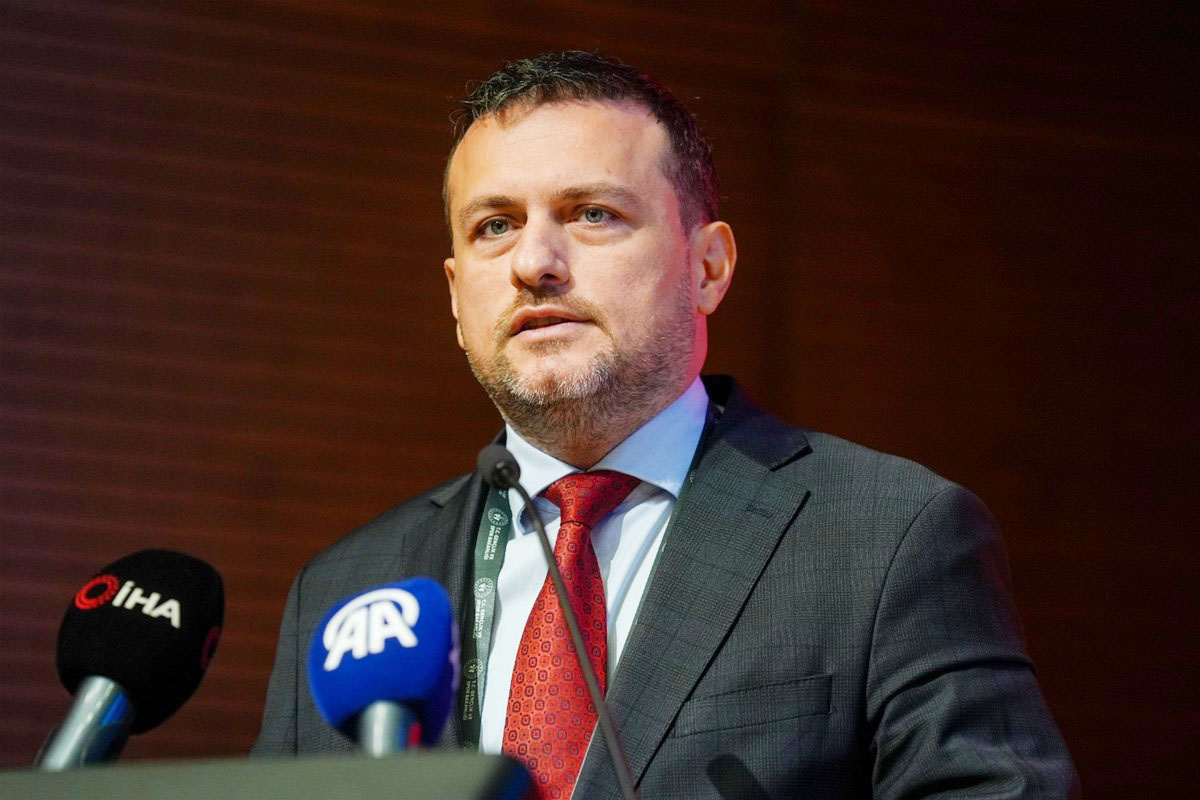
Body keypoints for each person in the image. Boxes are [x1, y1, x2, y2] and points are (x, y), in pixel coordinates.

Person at [253, 51, 1079, 799]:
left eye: (591, 213)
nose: (534, 263)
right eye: (493, 226)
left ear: (708, 267)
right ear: (455, 297)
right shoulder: (349, 589)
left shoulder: (887, 536)